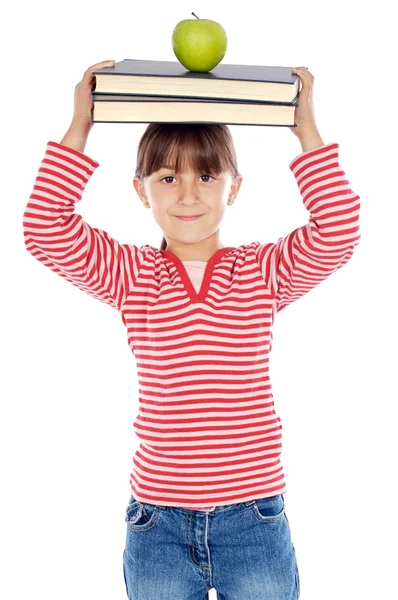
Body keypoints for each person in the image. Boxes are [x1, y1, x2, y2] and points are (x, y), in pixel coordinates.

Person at [23, 60, 361, 600]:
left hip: (254, 519)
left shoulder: (262, 270)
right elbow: (44, 228)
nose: (188, 195)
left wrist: (306, 128)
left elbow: (338, 231)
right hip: (158, 525)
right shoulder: (132, 274)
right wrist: (80, 124)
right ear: (141, 190)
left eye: (207, 176)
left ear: (235, 187)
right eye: (168, 177)